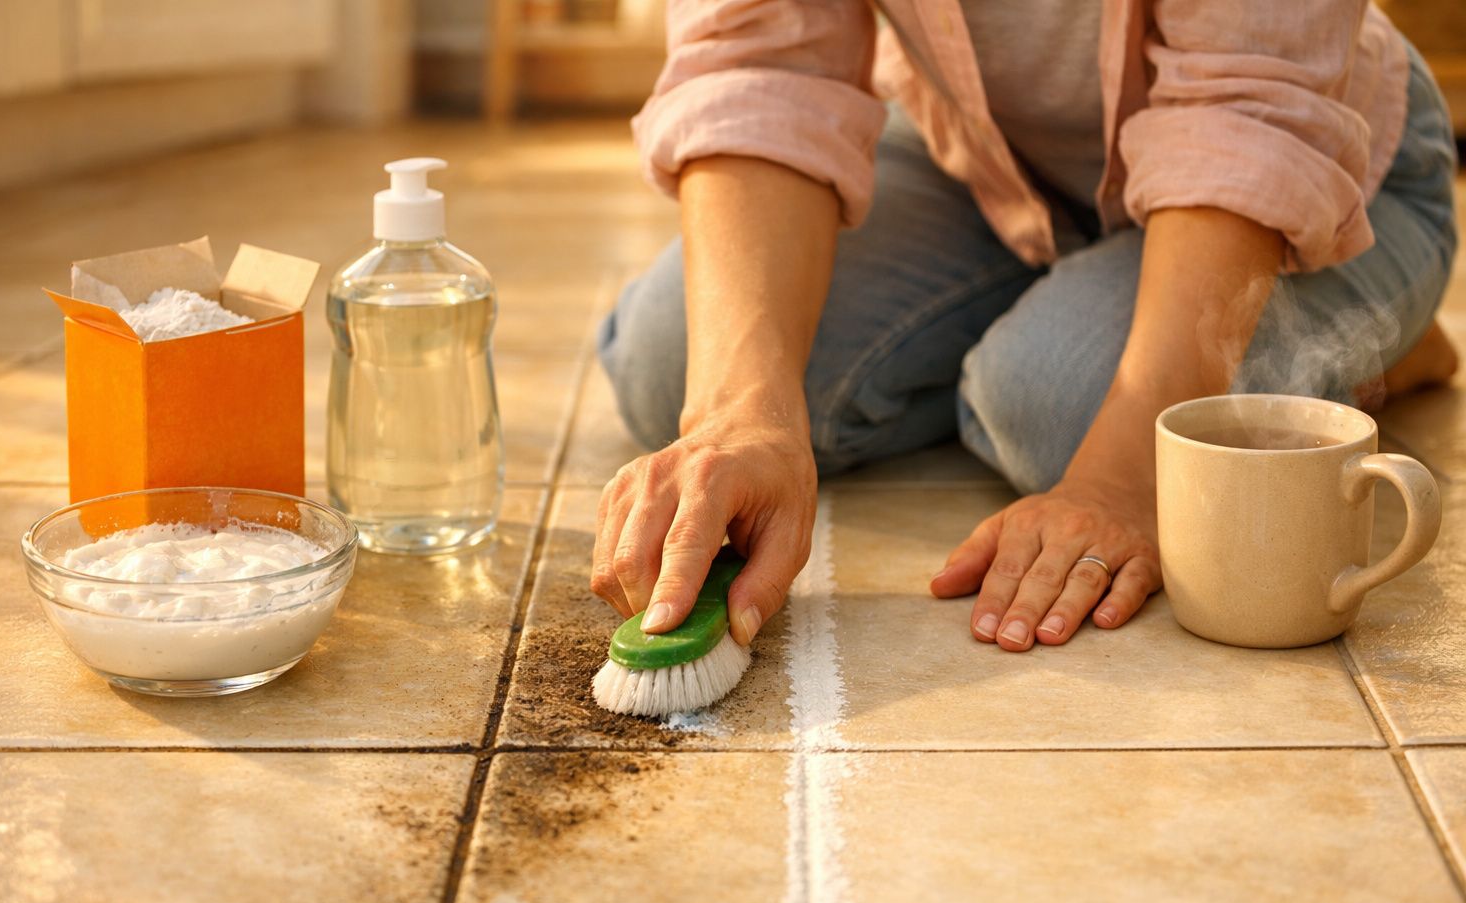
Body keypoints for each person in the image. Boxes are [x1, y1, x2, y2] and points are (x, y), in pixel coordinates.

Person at [590, 0, 1459, 654]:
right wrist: (741, 416)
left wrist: (1116, 485)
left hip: (1318, 162)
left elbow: (1249, 108)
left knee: (1062, 409)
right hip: (992, 162)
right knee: (677, 364)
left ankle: (1376, 335)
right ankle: (1062, 294)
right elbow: (760, 59)